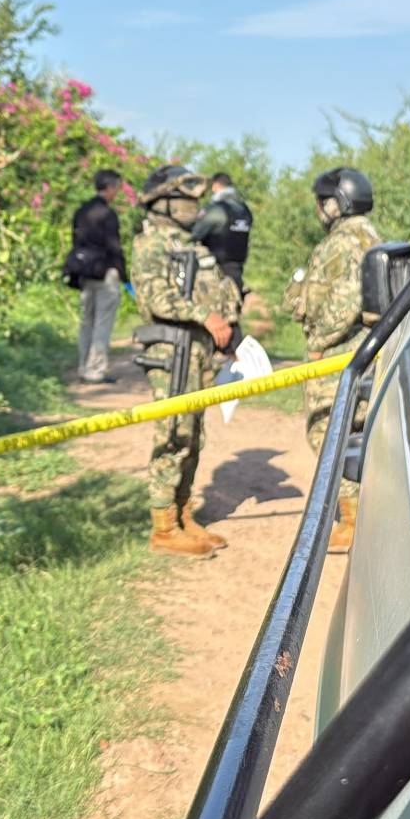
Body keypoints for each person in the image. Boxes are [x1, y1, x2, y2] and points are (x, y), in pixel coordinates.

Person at [128, 164, 242, 558]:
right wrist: (205, 317)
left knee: (193, 435)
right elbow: (156, 298)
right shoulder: (151, 243)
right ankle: (163, 528)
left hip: (197, 352)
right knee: (173, 433)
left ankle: (182, 514)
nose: (193, 206)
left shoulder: (186, 241)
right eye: (184, 199)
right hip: (172, 352)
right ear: (163, 203)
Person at [285, 166, 382, 552]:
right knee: (354, 430)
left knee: (326, 430)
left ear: (338, 201)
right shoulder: (367, 235)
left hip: (339, 350)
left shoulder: (343, 241)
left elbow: (344, 301)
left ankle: (353, 518)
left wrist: (318, 343)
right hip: (361, 346)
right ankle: (361, 512)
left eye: (323, 201)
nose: (319, 209)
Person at [66, 170, 128, 384]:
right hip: (105, 274)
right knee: (102, 322)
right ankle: (96, 370)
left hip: (84, 273)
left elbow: (75, 242)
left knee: (87, 321)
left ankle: (84, 366)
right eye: (117, 188)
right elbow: (114, 247)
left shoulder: (81, 211)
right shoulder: (107, 214)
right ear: (110, 188)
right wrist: (125, 275)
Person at [189, 172, 253, 297]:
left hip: (215, 272)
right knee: (233, 310)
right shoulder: (245, 209)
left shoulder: (215, 209)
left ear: (216, 185)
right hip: (237, 271)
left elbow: (194, 235)